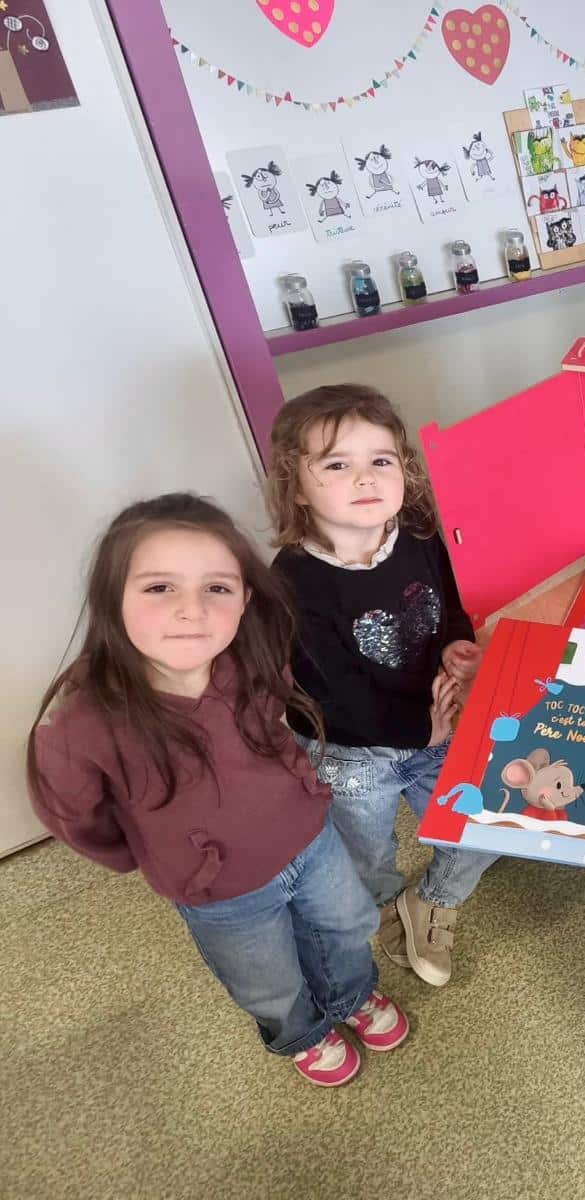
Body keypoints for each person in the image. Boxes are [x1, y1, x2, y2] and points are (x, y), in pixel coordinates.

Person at [28, 494, 407, 1087]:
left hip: (311, 840)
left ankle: (351, 995)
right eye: (160, 588)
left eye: (217, 588)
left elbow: (276, 729)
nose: (192, 610)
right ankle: (302, 1031)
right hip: (219, 890)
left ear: (244, 598)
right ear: (112, 598)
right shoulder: (81, 724)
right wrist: (157, 853)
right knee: (266, 977)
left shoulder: (252, 656)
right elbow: (76, 817)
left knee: (346, 925)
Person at [268, 384, 494, 988]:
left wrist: (455, 644)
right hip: (351, 750)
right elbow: (335, 691)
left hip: (435, 722)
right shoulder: (292, 581)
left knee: (482, 822)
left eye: (381, 459)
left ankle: (433, 900)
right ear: (296, 486)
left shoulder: (418, 535)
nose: (365, 477)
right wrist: (422, 728)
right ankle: (389, 903)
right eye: (337, 465)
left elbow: (449, 608)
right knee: (365, 852)